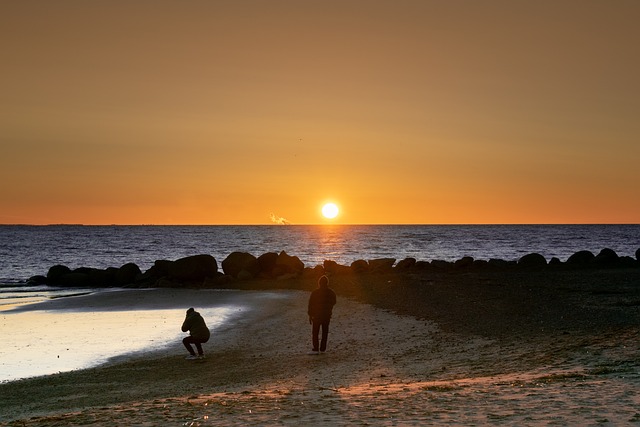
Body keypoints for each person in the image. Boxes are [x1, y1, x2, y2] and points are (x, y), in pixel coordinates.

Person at [307, 275, 337, 354]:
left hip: (317, 315)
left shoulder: (315, 293)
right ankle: (323, 349)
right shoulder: (331, 292)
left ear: (319, 283)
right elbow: (334, 302)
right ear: (327, 283)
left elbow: (311, 304)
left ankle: (316, 348)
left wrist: (310, 315)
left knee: (315, 332)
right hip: (327, 315)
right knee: (325, 332)